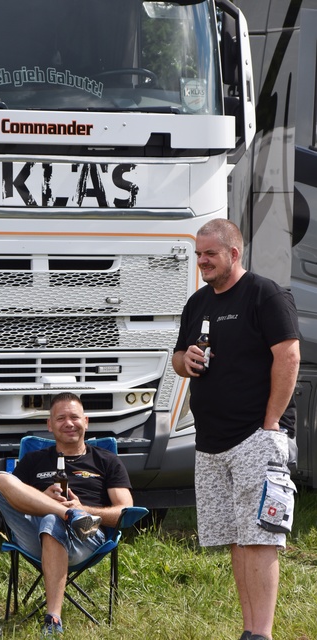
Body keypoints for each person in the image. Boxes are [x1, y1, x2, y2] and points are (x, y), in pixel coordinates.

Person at [172, 219, 300, 640]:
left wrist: (270, 424)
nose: (202, 261)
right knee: (236, 538)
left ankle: (260, 633)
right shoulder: (197, 304)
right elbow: (176, 359)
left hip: (255, 438)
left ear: (233, 253)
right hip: (211, 443)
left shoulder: (265, 294)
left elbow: (289, 356)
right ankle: (250, 630)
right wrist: (184, 360)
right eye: (198, 254)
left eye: (210, 253)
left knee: (261, 537)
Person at [0, 391, 133, 637]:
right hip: (32, 534)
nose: (69, 423)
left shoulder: (106, 460)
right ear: (49, 425)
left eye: (75, 417)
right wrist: (46, 499)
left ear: (86, 421)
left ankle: (53, 618)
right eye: (60, 418)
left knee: (51, 519)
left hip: (86, 535)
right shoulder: (34, 460)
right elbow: (10, 493)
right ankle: (63, 513)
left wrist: (82, 509)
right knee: (0, 477)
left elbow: (125, 510)